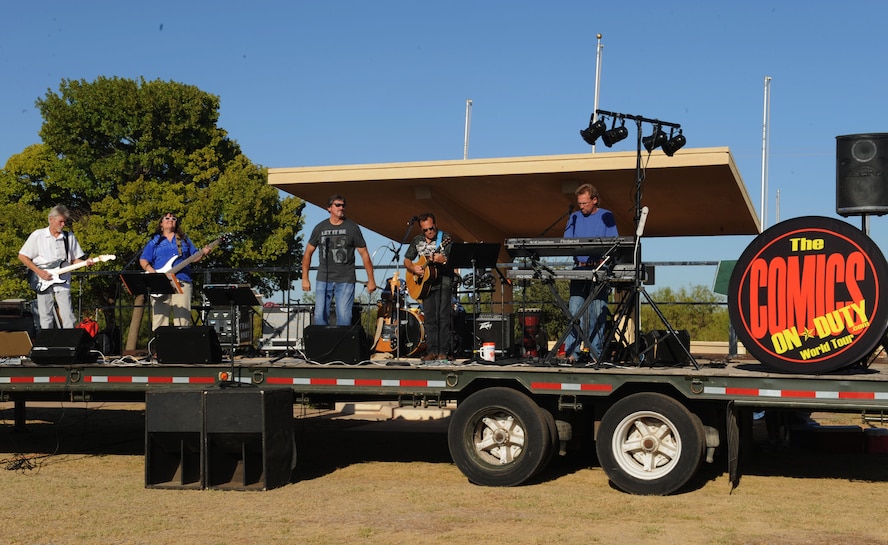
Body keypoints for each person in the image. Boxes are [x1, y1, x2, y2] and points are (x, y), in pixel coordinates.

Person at [302, 195, 377, 325]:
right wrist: (305, 278)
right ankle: (324, 344)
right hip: (323, 278)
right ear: (329, 208)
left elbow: (364, 254)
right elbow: (308, 253)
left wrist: (371, 280)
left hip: (345, 279)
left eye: (343, 205)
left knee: (344, 317)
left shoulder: (352, 228)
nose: (341, 208)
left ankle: (342, 345)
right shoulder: (320, 228)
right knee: (319, 316)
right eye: (338, 205)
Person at [563, 184, 618, 362]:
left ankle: (596, 353)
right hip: (579, 268)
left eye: (585, 203)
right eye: (579, 203)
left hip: (598, 269)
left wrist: (604, 262)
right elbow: (566, 242)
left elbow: (614, 244)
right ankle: (572, 352)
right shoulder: (574, 217)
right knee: (574, 310)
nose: (582, 207)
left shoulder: (606, 216)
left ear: (594, 200)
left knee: (597, 312)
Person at [19, 205, 94, 329]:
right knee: (45, 314)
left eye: (65, 221)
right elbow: (23, 256)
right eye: (60, 221)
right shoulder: (38, 235)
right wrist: (39, 272)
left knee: (67, 314)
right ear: (51, 220)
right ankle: (47, 343)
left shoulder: (68, 237)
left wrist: (86, 262)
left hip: (63, 279)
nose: (63, 224)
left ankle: (69, 343)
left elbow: (74, 259)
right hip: (42, 279)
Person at [139, 213, 211, 330]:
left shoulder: (184, 239)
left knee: (182, 319)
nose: (170, 220)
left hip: (182, 281)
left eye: (173, 219)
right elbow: (143, 259)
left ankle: (181, 347)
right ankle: (160, 346)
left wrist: (203, 253)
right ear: (161, 223)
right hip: (161, 283)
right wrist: (153, 273)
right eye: (167, 218)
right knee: (160, 319)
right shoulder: (155, 241)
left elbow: (195, 257)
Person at [404, 213, 453, 361]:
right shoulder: (417, 240)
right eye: (425, 230)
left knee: (443, 317)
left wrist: (443, 259)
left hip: (444, 281)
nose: (429, 232)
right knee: (430, 318)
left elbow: (454, 259)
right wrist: (414, 269)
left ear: (436, 225)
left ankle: (444, 351)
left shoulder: (445, 238)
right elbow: (407, 260)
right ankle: (432, 351)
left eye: (431, 228)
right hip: (426, 285)